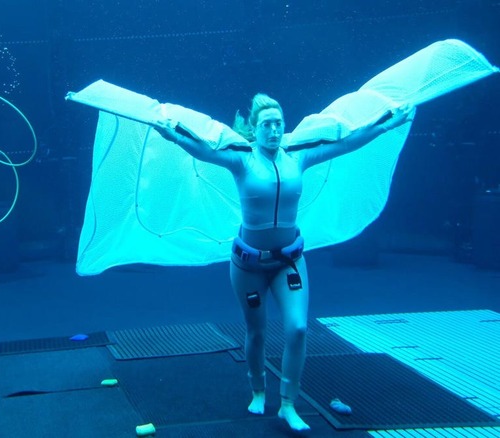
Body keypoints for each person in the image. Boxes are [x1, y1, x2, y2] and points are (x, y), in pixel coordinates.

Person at [155, 95, 413, 432]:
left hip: (288, 262)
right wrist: (172, 134)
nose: (274, 130)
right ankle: (258, 389)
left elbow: (348, 142)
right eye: (266, 125)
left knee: (299, 328)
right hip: (248, 265)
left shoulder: (299, 156)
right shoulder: (242, 160)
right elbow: (203, 150)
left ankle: (288, 403)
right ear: (255, 129)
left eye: (279, 123)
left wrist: (388, 123)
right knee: (256, 331)